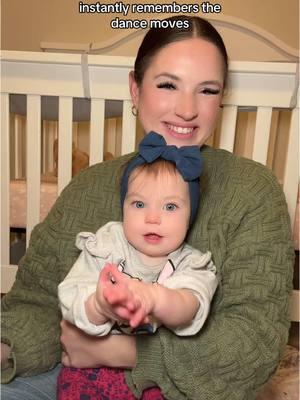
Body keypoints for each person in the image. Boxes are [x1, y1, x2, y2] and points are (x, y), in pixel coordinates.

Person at [1, 15, 294, 400]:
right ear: (135, 90)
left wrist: (121, 352)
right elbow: (37, 301)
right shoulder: (89, 185)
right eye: (168, 84)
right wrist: (8, 348)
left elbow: (253, 345)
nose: (187, 109)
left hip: (195, 389)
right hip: (69, 375)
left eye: (206, 90)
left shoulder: (252, 190)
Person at [57, 131, 218, 398]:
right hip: (90, 366)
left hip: (151, 375)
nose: (152, 217)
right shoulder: (107, 245)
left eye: (170, 207)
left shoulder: (190, 263)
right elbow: (71, 294)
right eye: (139, 204)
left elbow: (191, 305)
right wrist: (99, 304)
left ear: (190, 215)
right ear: (124, 208)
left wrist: (154, 298)